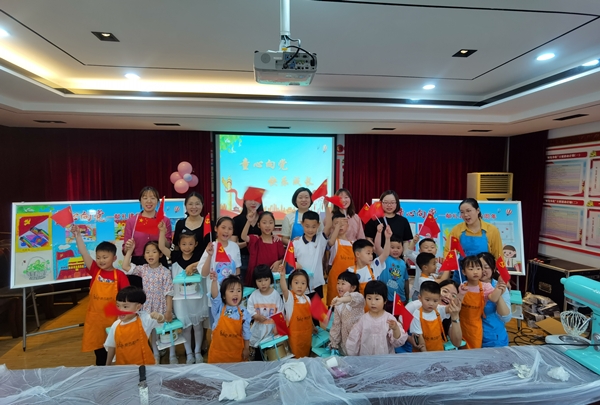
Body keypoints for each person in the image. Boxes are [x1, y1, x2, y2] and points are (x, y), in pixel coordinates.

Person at [71, 225, 129, 366]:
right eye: (98, 257)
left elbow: (127, 298)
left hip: (114, 320)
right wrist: (78, 235)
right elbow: (84, 252)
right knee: (100, 353)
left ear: (114, 258)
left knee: (117, 351)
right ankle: (102, 373)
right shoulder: (95, 270)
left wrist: (124, 317)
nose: (101, 260)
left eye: (105, 257)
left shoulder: (120, 275)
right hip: (96, 320)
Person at [158, 221, 207, 364]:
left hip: (196, 299)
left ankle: (197, 352)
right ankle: (189, 353)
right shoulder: (175, 256)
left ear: (196, 244)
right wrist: (162, 231)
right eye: (184, 244)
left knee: (197, 326)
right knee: (185, 327)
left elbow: (209, 259)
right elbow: (161, 247)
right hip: (180, 300)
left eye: (190, 244)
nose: (187, 247)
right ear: (179, 244)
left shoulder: (199, 257)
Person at [123, 239, 174, 364]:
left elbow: (169, 293)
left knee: (167, 330)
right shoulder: (143, 269)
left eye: (154, 252)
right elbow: (125, 266)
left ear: (160, 254)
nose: (150, 255)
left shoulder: (165, 272)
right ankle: (155, 355)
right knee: (152, 331)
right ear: (144, 256)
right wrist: (129, 251)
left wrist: (168, 311)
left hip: (161, 306)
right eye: (147, 252)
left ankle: (172, 354)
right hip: (147, 307)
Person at [445, 198, 503, 283]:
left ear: (477, 210)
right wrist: (445, 276)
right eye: (462, 212)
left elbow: (499, 256)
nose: (465, 215)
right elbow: (449, 253)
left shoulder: (492, 230)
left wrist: (503, 277)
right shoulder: (456, 230)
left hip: (483, 276)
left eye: (468, 211)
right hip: (463, 275)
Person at [104, 286, 165, 366]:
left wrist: (160, 317)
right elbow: (112, 346)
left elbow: (162, 321)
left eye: (125, 306)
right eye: (118, 306)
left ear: (138, 307)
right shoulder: (115, 325)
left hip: (145, 366)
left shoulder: (144, 320)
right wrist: (107, 365)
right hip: (123, 367)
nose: (120, 310)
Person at [345, 280, 407, 356]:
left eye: (377, 299)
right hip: (366, 358)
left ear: (385, 301)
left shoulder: (389, 319)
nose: (373, 303)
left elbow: (397, 342)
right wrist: (352, 356)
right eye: (369, 298)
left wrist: (395, 329)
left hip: (385, 359)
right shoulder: (363, 320)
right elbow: (353, 340)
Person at [458, 255, 508, 349]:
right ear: (464, 272)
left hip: (477, 326)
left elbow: (493, 298)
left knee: (474, 348)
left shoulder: (486, 286)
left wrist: (499, 287)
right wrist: (460, 294)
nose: (475, 272)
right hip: (463, 324)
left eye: (478, 268)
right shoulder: (462, 286)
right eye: (471, 269)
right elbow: (458, 305)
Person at [123, 186, 172, 271]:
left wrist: (162, 232)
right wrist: (127, 247)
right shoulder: (132, 221)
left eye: (152, 198)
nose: (149, 201)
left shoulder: (164, 220)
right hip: (138, 263)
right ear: (140, 201)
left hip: (159, 262)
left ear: (157, 201)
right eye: (145, 198)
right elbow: (125, 250)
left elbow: (168, 246)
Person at [406, 279, 463, 349]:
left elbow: (457, 343)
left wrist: (455, 316)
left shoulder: (443, 311)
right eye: (445, 291)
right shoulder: (413, 307)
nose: (448, 296)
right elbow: (400, 328)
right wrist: (409, 339)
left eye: (453, 295)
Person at [207, 273, 251, 363]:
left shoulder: (244, 312)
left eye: (239, 291)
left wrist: (246, 348)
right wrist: (214, 281)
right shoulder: (219, 308)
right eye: (231, 291)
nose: (236, 294)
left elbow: (246, 333)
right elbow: (215, 297)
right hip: (218, 355)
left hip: (236, 354)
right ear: (223, 296)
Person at [246, 265, 284, 361]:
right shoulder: (254, 295)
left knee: (271, 351)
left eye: (266, 280)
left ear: (270, 279)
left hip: (272, 329)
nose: (263, 283)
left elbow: (280, 311)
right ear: (255, 281)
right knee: (258, 349)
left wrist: (277, 326)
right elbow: (249, 309)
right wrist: (256, 316)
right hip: (259, 328)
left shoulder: (275, 295)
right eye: (259, 281)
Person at [291, 210, 331, 298]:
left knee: (316, 306)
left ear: (318, 225)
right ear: (302, 224)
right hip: (301, 284)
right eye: (307, 226)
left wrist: (326, 206)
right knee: (302, 305)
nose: (310, 230)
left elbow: (329, 225)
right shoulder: (296, 243)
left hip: (317, 283)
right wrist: (295, 264)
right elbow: (290, 261)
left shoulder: (321, 239)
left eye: (313, 227)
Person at [240, 211, 284, 287]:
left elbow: (283, 258)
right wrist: (249, 221)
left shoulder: (277, 241)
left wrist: (278, 262)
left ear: (274, 225)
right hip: (257, 279)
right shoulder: (255, 240)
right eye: (264, 222)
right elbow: (243, 237)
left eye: (271, 222)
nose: (267, 226)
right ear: (259, 225)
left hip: (272, 279)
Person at [277, 264, 313, 358]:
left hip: (307, 335)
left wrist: (313, 326)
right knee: (296, 358)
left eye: (303, 283)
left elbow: (309, 316)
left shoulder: (307, 299)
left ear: (307, 285)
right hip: (295, 336)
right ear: (290, 284)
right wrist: (282, 275)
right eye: (296, 283)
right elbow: (284, 289)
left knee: (306, 356)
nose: (300, 286)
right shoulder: (290, 298)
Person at [348, 225, 392, 296]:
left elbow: (385, 254)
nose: (371, 256)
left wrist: (387, 238)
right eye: (368, 253)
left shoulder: (375, 265)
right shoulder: (350, 271)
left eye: (372, 253)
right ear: (357, 254)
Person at [478, 252, 511, 347]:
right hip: (472, 335)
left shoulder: (499, 286)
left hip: (493, 337)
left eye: (486, 267)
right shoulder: (468, 286)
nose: (483, 270)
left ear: (493, 269)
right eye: (479, 267)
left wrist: (497, 293)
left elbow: (506, 318)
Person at [328, 272, 364, 356]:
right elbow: (336, 325)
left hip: (359, 340)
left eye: (343, 283)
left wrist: (340, 300)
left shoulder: (358, 299)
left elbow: (353, 298)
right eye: (338, 283)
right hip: (345, 341)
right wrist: (334, 344)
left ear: (353, 287)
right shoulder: (338, 304)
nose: (339, 286)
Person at [197, 217, 242, 284]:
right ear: (216, 228)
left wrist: (237, 281)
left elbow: (237, 267)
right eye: (223, 227)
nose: (226, 231)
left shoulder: (235, 246)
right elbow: (204, 274)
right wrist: (209, 255)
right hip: (214, 287)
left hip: (230, 288)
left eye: (230, 228)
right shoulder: (211, 247)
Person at [325, 212, 355, 306]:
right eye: (337, 223)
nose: (340, 226)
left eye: (343, 223)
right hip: (336, 281)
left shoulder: (353, 244)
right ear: (332, 227)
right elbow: (331, 242)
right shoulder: (333, 242)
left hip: (350, 282)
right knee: (334, 307)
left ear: (348, 226)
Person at [231, 199, 263, 283]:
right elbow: (233, 245)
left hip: (260, 258)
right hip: (243, 258)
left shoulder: (263, 218)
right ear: (244, 202)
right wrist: (249, 242)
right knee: (243, 285)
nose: (253, 202)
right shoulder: (237, 220)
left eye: (256, 200)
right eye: (250, 199)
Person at [172, 192, 209, 257]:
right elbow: (176, 247)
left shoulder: (209, 224)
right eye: (190, 204)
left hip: (204, 262)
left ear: (202, 205)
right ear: (185, 206)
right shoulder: (180, 224)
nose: (194, 207)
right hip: (183, 262)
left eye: (197, 204)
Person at [378, 235, 409, 311]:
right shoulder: (384, 258)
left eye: (398, 248)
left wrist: (407, 296)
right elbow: (377, 247)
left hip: (400, 299)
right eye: (392, 247)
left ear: (402, 248)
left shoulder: (403, 263)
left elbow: (406, 280)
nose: (395, 250)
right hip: (385, 299)